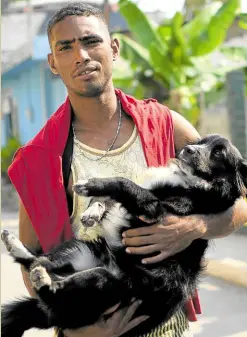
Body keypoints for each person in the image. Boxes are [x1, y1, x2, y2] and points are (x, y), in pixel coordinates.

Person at [8, 2, 247, 337]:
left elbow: (239, 204)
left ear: (114, 48)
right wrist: (84, 330)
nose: (81, 56)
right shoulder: (38, 158)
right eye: (66, 47)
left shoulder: (165, 124)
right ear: (53, 63)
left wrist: (193, 226)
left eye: (91, 41)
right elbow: (33, 261)